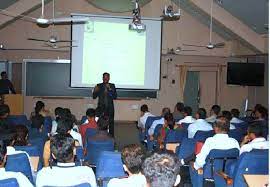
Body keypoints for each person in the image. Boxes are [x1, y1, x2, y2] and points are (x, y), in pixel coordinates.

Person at [93, 72, 117, 137]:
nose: (105, 79)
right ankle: (98, 136)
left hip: (110, 108)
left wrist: (109, 89)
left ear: (109, 78)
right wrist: (95, 91)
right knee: (99, 123)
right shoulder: (98, 85)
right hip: (100, 108)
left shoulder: (112, 86)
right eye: (104, 77)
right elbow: (94, 97)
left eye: (107, 77)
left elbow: (115, 97)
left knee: (111, 124)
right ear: (102, 78)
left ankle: (111, 137)